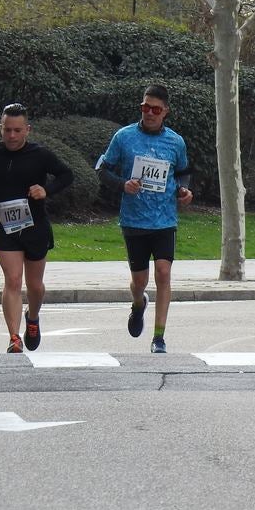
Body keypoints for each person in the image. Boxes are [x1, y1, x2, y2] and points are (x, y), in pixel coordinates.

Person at [95, 84, 193, 354]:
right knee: (139, 281)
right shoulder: (124, 137)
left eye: (155, 109)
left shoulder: (175, 141)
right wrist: (123, 184)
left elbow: (183, 172)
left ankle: (159, 336)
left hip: (164, 220)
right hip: (134, 220)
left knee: (163, 273)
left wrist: (184, 190)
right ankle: (138, 303)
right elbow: (102, 169)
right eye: (144, 107)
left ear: (165, 112)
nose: (149, 113)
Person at [0, 103, 75, 354]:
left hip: (35, 225)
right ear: (0, 129)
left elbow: (66, 174)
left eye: (17, 130)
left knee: (35, 285)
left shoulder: (40, 154)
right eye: (7, 130)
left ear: (27, 130)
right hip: (4, 225)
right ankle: (13, 337)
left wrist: (46, 190)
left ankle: (33, 317)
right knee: (13, 280)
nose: (12, 136)